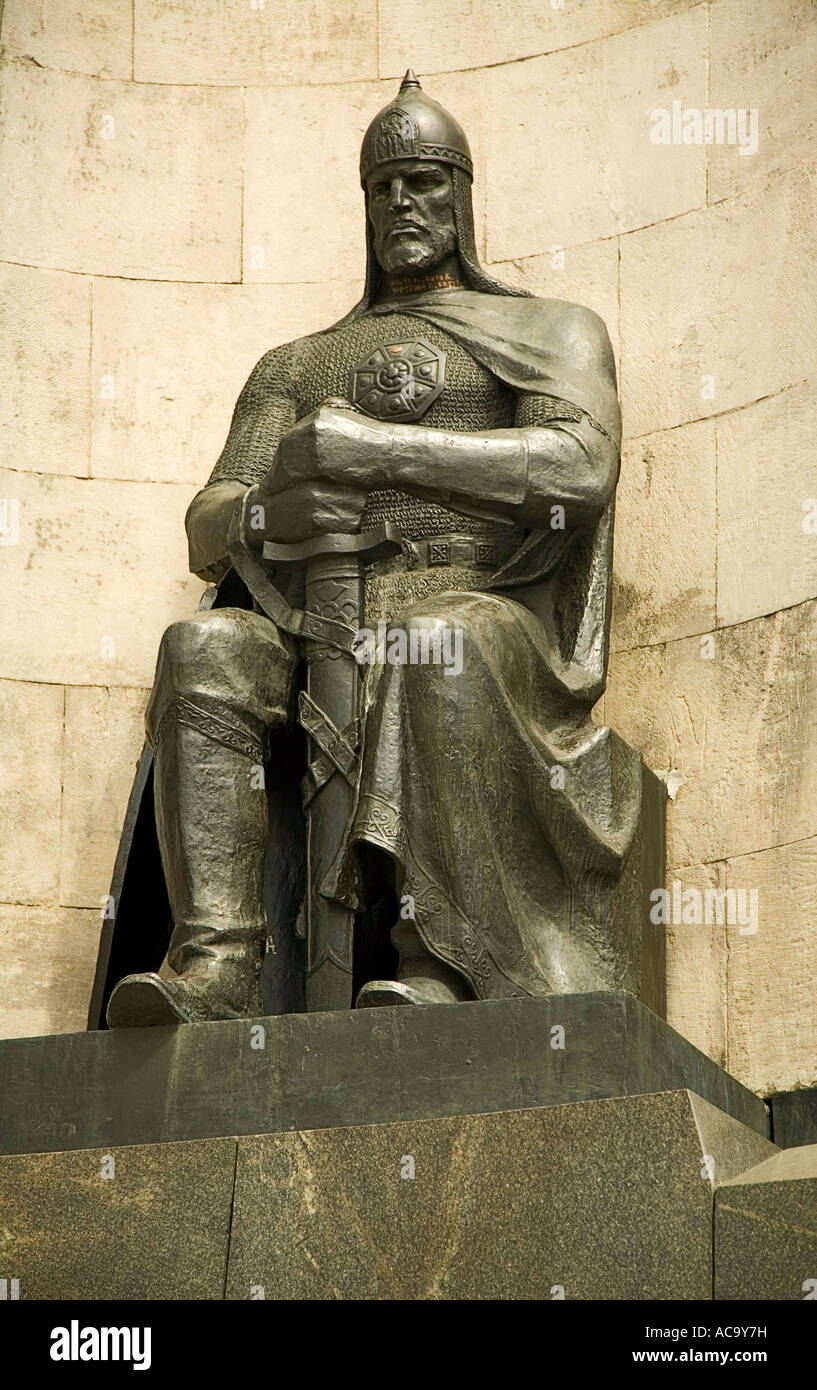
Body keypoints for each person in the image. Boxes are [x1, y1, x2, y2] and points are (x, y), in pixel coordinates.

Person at [105, 71, 641, 1028]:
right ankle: (218, 967)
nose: (403, 202)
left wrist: (379, 448)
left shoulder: (549, 329)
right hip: (321, 618)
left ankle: (437, 959)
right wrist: (272, 506)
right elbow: (208, 523)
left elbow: (576, 470)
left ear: (464, 197)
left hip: (484, 612)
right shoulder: (299, 363)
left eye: (426, 180)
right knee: (205, 648)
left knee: (436, 640)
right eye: (384, 187)